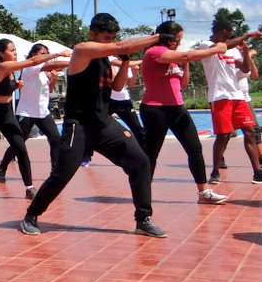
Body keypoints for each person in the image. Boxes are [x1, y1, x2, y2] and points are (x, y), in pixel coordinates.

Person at [20, 13, 165, 237]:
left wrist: (126, 61)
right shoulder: (82, 50)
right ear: (92, 34)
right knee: (62, 174)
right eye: (106, 38)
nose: (110, 43)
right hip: (79, 126)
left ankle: (143, 219)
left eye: (112, 38)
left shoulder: (105, 60)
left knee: (140, 162)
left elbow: (117, 87)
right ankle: (31, 215)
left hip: (104, 124)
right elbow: (121, 46)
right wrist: (158, 37)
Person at [0, 39, 71, 201]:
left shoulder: (11, 70)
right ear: (1, 53)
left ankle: (29, 188)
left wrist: (15, 86)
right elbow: (32, 61)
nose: (15, 52)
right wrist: (58, 54)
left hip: (7, 114)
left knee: (21, 149)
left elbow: (4, 88)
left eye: (15, 50)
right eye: (11, 50)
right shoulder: (1, 67)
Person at [138, 21, 228, 204]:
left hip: (177, 108)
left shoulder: (173, 57)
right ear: (167, 38)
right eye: (177, 39)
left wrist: (185, 63)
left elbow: (183, 83)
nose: (179, 43)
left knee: (194, 148)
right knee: (152, 153)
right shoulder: (154, 52)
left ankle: (204, 192)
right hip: (155, 109)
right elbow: (186, 54)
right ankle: (142, 194)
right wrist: (215, 49)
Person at [199, 21, 262, 185]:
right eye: (226, 34)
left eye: (229, 35)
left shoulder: (234, 50)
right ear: (218, 32)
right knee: (223, 135)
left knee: (250, 131)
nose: (228, 37)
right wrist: (247, 35)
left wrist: (246, 52)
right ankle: (215, 171)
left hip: (237, 96)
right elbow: (222, 47)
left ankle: (258, 173)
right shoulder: (206, 45)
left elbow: (244, 69)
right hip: (219, 97)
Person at [0, 43, 68, 183]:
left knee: (55, 139)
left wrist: (53, 79)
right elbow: (55, 64)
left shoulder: (43, 72)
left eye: (46, 53)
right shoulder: (30, 67)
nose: (45, 56)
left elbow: (48, 90)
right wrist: (71, 60)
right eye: (42, 54)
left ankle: (55, 171)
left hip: (43, 113)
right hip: (26, 113)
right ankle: (1, 170)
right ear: (34, 55)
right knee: (18, 143)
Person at [229, 48, 262, 169]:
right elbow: (239, 74)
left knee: (255, 128)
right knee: (226, 133)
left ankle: (261, 157)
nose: (241, 47)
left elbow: (255, 75)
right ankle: (219, 160)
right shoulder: (231, 56)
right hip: (232, 98)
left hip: (245, 99)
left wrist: (248, 57)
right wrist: (249, 55)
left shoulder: (244, 58)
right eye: (239, 44)